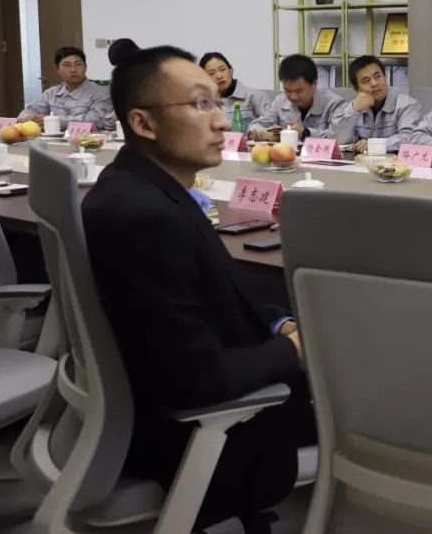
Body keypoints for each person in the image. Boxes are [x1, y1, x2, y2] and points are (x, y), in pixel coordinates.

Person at [82, 45, 312, 528]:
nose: (222, 122)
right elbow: (195, 378)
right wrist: (294, 351)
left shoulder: (138, 186)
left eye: (218, 103)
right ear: (144, 123)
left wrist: (280, 323)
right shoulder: (146, 217)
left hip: (183, 396)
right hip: (212, 440)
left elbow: (219, 289)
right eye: (200, 104)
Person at [248, 54, 348, 141]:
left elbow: (340, 138)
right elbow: (254, 125)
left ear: (314, 84)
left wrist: (305, 132)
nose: (293, 97)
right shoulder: (280, 101)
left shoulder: (334, 103)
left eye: (299, 91)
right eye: (287, 90)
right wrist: (262, 133)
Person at [337, 55, 421, 153]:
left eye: (377, 77)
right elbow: (339, 140)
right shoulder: (354, 107)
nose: (374, 84)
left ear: (385, 77)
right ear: (356, 89)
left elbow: (410, 138)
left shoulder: (407, 104)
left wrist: (374, 145)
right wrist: (354, 111)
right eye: (366, 81)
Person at [18, 46, 114, 130]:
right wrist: (29, 118)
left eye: (78, 64)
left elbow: (96, 121)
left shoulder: (101, 92)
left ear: (85, 67)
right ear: (57, 69)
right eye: (67, 65)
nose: (73, 70)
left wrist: (53, 121)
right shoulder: (51, 93)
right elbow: (27, 112)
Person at [199, 52, 271, 132]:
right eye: (212, 73)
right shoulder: (202, 103)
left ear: (231, 70)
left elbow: (269, 124)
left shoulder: (255, 96)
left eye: (222, 69)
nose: (219, 76)